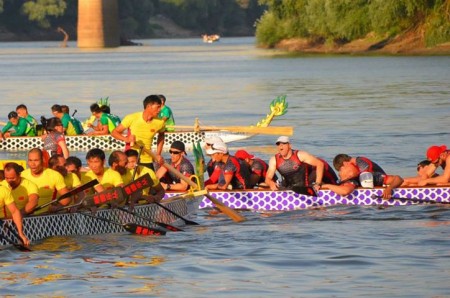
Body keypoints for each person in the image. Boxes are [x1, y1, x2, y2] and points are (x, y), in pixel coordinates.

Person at [111, 95, 165, 170]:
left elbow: (161, 136)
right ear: (149, 106)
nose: (160, 110)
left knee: (151, 181)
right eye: (158, 107)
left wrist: (158, 154)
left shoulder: (160, 122)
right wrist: (126, 139)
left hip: (148, 159)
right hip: (131, 159)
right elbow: (114, 132)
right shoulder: (132, 118)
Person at [21, 148, 69, 214]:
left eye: (36, 160)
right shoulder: (22, 175)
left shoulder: (54, 175)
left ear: (43, 160)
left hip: (47, 215)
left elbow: (66, 197)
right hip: (26, 216)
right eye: (30, 160)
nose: (33, 164)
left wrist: (58, 206)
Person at [322, 160, 404, 200]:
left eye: (341, 169)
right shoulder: (343, 180)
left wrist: (389, 189)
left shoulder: (357, 179)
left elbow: (345, 191)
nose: (339, 173)